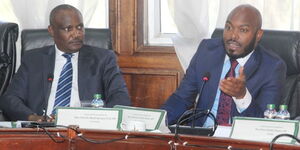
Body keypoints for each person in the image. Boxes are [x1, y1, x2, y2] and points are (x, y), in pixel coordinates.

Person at [0, 4, 131, 121]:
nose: (77, 34)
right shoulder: (33, 60)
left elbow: (120, 97)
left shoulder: (103, 59)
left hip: (85, 131)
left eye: (80, 27)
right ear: (51, 30)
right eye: (68, 29)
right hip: (43, 131)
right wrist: (33, 117)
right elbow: (10, 99)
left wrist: (98, 120)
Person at [161, 4, 286, 127]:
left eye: (243, 30)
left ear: (258, 35)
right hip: (201, 135)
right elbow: (181, 98)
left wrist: (242, 96)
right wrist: (157, 123)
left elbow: (264, 124)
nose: (233, 36)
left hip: (239, 141)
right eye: (228, 27)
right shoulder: (206, 51)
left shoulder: (272, 67)